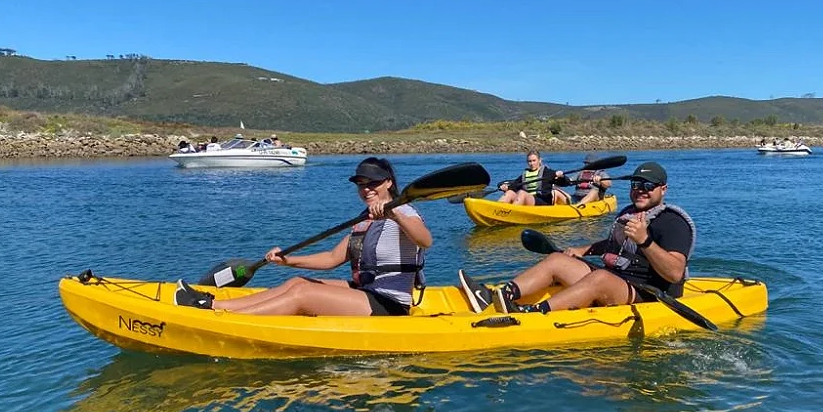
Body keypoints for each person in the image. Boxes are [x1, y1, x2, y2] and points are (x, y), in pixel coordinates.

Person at [175, 157, 433, 316]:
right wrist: (287, 261)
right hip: (366, 291)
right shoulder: (366, 219)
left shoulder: (404, 211)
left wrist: (394, 215)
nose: (366, 189)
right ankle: (218, 305)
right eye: (361, 184)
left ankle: (214, 312)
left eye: (373, 184)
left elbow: (425, 240)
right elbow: (332, 258)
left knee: (304, 296)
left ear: (388, 183)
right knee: (297, 282)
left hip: (390, 304)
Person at [459, 161, 695, 314]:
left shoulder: (673, 222)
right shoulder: (630, 213)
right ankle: (496, 295)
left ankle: (533, 313)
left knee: (600, 277)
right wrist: (582, 250)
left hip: (648, 294)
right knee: (557, 260)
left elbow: (674, 272)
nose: (640, 189)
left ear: (662, 189)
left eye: (648, 186)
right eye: (636, 184)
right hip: (618, 279)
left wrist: (645, 241)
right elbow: (613, 245)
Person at [498, 150, 569, 206]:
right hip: (528, 200)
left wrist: (561, 176)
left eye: (534, 161)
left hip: (543, 202)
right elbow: (514, 186)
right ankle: (498, 209)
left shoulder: (548, 173)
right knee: (510, 193)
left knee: (522, 193)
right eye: (529, 161)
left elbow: (565, 183)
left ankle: (510, 213)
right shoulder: (525, 174)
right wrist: (506, 188)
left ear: (539, 160)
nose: (532, 163)